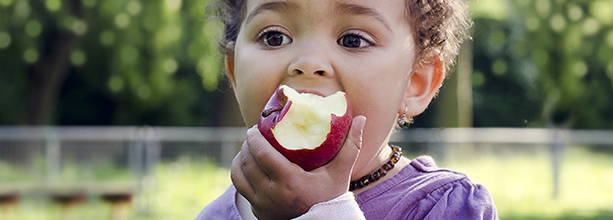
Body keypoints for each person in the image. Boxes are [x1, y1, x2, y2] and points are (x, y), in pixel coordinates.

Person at [197, 0, 498, 219]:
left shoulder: (446, 208)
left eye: (352, 40)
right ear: (234, 72)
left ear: (415, 82)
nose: (308, 63)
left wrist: (324, 213)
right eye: (274, 37)